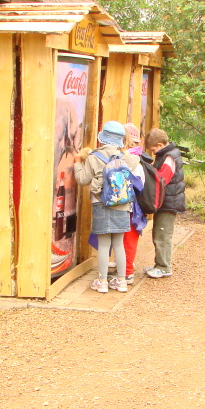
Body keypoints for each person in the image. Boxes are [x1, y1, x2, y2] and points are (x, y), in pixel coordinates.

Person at [74, 120, 140, 294]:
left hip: (101, 204)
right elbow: (136, 162)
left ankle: (102, 282)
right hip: (123, 204)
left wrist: (78, 162)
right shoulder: (126, 157)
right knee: (119, 244)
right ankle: (121, 281)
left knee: (104, 245)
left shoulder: (94, 157)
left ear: (103, 138)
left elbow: (82, 179)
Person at [143, 128, 186, 278]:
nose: (153, 153)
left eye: (153, 150)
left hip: (169, 203)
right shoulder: (167, 155)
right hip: (166, 201)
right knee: (159, 233)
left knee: (163, 235)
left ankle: (164, 267)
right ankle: (159, 265)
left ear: (160, 145)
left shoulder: (169, 157)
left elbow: (162, 179)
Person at [120, 123, 147, 284]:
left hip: (127, 206)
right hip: (135, 207)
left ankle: (127, 272)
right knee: (129, 239)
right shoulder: (140, 158)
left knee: (127, 239)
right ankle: (126, 268)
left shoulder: (126, 159)